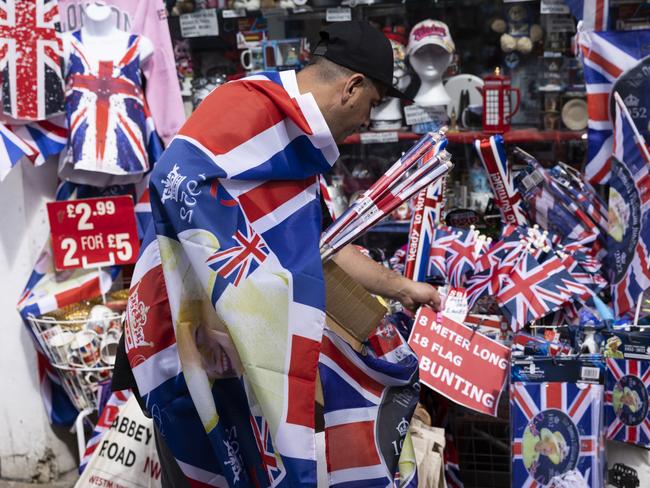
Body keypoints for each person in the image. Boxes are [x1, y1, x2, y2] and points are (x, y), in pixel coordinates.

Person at [113, 21, 441, 487]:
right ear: (351, 87)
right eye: (371, 105)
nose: (367, 121)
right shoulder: (247, 105)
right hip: (182, 332)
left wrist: (403, 288)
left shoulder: (297, 143)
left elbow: (318, 243)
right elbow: (176, 178)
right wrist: (256, 276)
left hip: (234, 347)